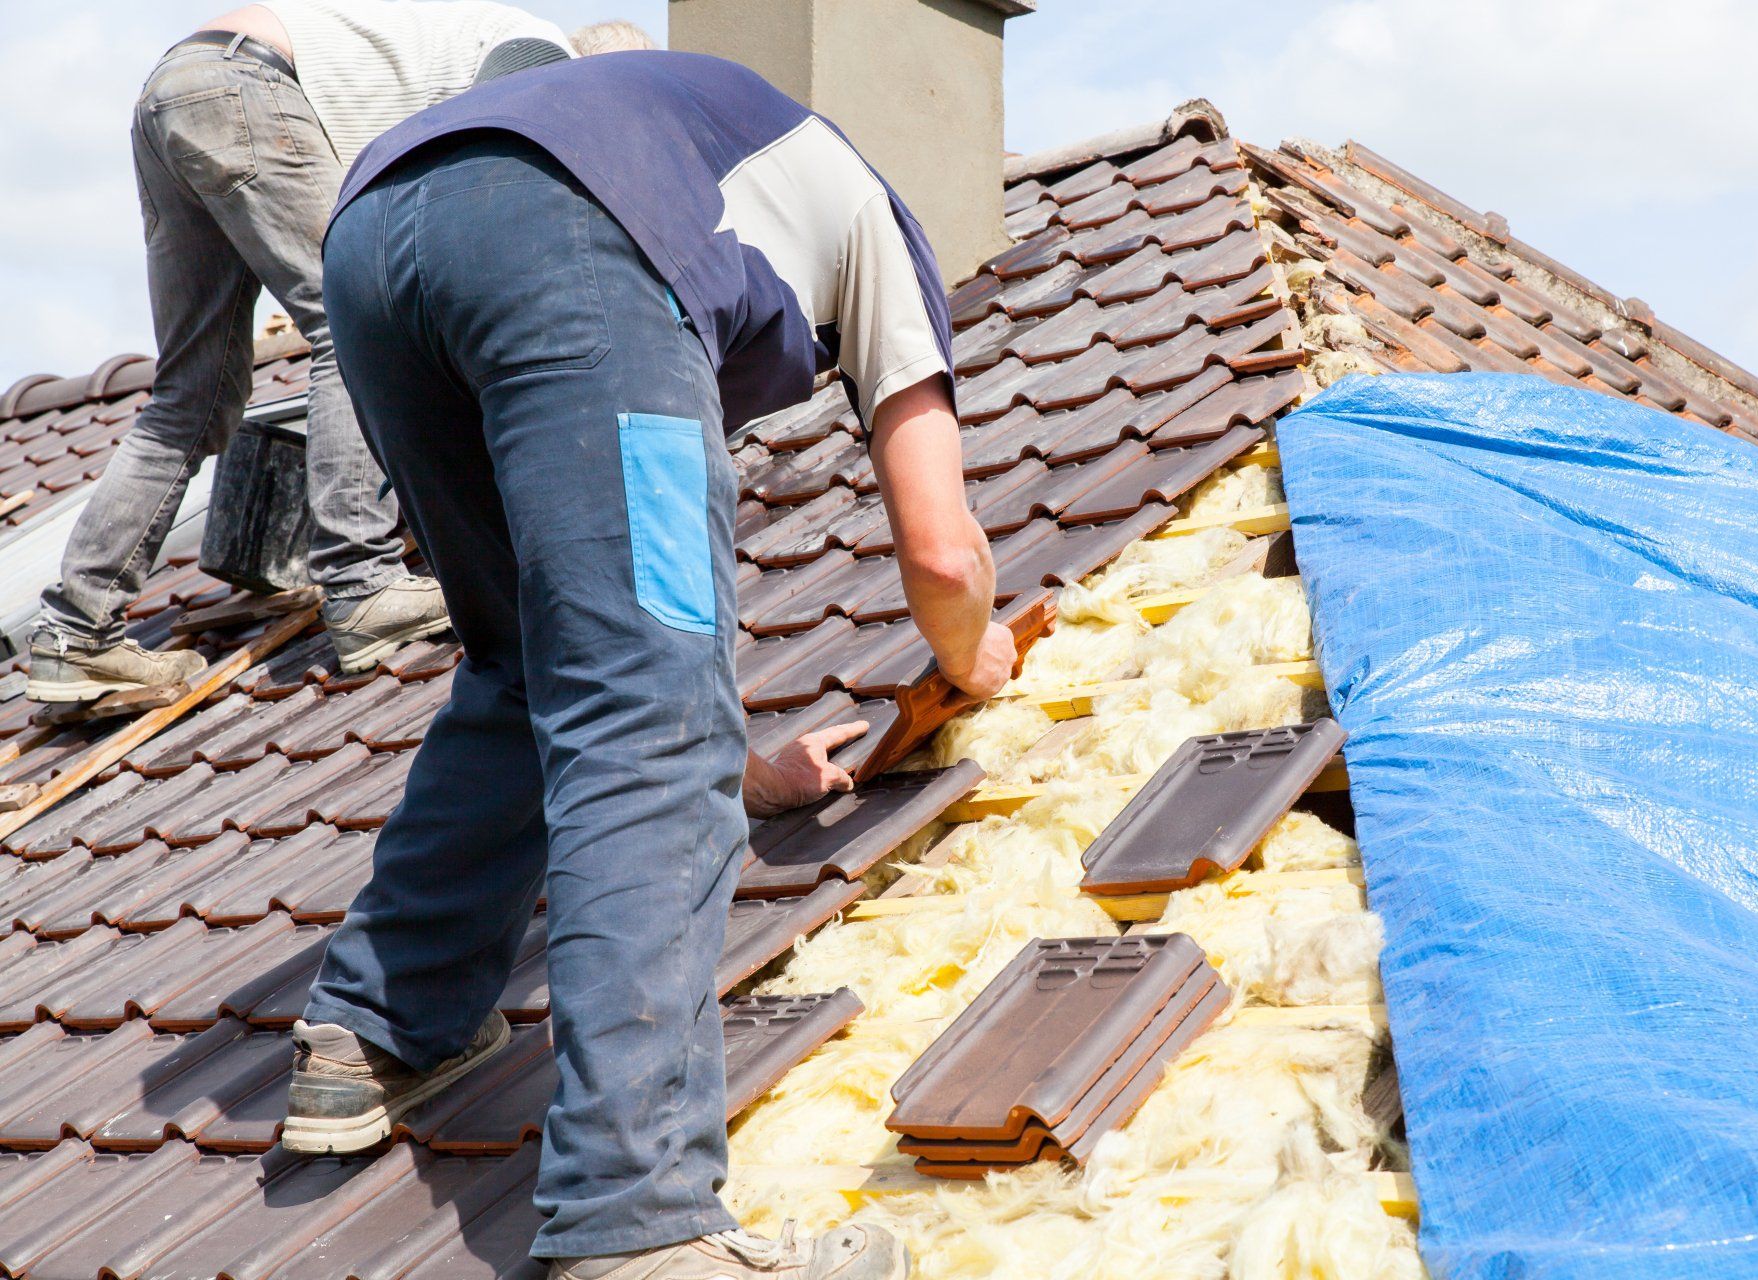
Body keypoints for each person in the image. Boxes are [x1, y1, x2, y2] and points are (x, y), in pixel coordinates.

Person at [281, 43, 1016, 1280]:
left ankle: (376, 1033)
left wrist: (745, 765)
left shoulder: (707, 149)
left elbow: (599, 608)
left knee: (523, 657)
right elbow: (943, 555)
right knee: (645, 725)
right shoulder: (882, 227)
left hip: (373, 237)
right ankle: (639, 1220)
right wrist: (972, 652)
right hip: (570, 229)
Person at [25, 2, 647, 702]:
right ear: (606, 80)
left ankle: (73, 632)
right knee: (348, 320)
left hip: (180, 85)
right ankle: (360, 581)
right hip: (244, 84)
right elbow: (503, 205)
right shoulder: (542, 54)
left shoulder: (463, 53)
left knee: (192, 394)